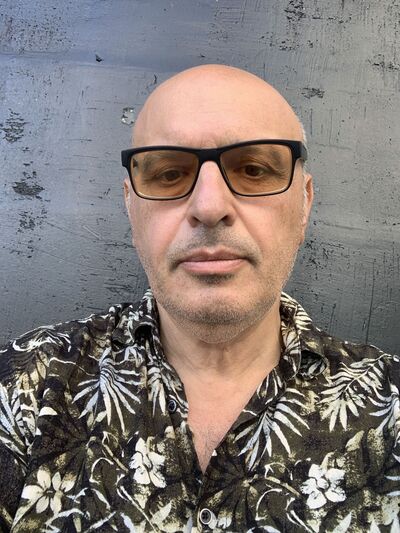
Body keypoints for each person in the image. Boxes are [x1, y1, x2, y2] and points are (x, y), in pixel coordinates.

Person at [0, 64, 398, 533]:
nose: (209, 207)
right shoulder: (25, 387)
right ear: (131, 205)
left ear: (305, 203)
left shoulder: (390, 407)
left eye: (253, 170)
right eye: (169, 173)